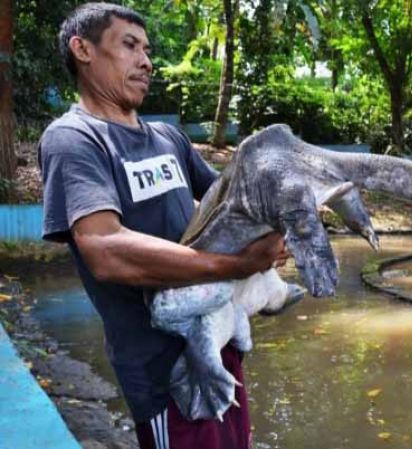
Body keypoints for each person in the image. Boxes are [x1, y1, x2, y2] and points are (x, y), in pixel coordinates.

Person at [38, 4, 287, 448]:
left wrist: (281, 225)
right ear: (83, 50)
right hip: (164, 377)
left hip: (221, 346)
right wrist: (233, 263)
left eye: (148, 50)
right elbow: (105, 249)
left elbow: (235, 202)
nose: (146, 61)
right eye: (129, 46)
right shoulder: (74, 139)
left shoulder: (168, 138)